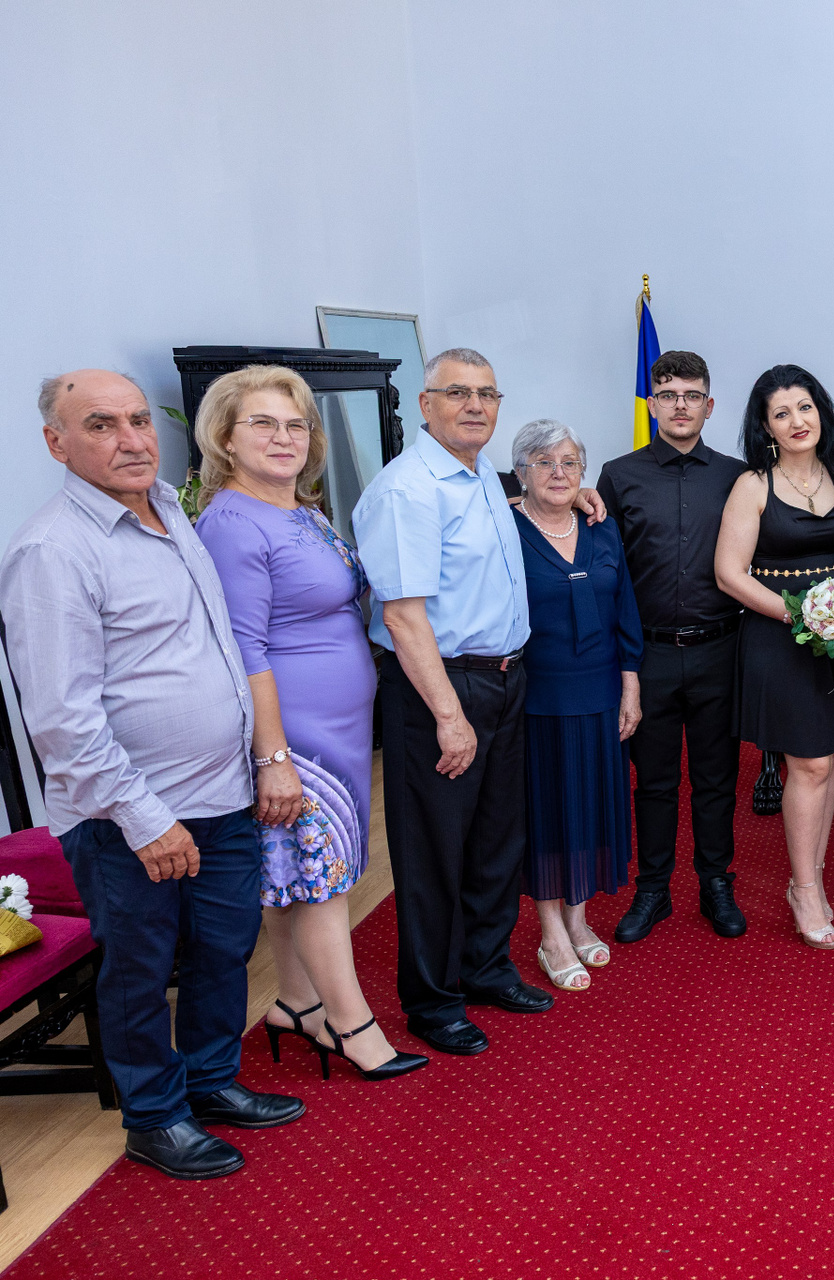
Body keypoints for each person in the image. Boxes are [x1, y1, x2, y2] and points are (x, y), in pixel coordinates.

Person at [2, 369, 303, 1180]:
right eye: (101, 425)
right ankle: (155, 1117)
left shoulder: (171, 507)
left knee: (222, 949)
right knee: (138, 969)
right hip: (126, 816)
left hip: (222, 794)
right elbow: (62, 719)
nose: (132, 439)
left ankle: (210, 1081)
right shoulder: (52, 551)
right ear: (56, 443)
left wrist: (258, 760)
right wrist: (145, 818)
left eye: (139, 420)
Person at [193, 365, 426, 1082]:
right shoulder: (231, 522)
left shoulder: (302, 508)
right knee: (323, 881)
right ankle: (354, 1026)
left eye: (296, 424)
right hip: (296, 736)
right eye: (263, 423)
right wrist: (273, 758)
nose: (283, 437)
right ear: (225, 438)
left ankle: (297, 1002)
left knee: (298, 870)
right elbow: (245, 650)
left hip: (343, 726)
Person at [353, 347, 557, 1058]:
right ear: (425, 404)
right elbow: (403, 616)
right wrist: (448, 715)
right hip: (441, 685)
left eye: (487, 394)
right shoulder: (407, 490)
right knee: (435, 850)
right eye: (458, 393)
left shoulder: (481, 477)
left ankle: (486, 968)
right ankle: (433, 1001)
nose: (475, 406)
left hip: (504, 676)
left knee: (497, 839)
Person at [595, 350, 749, 944]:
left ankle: (715, 883)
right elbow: (604, 565)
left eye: (691, 396)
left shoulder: (737, 476)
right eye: (668, 396)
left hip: (720, 649)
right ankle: (653, 888)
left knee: (716, 779)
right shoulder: (619, 475)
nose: (680, 406)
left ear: (709, 406)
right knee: (654, 781)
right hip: (648, 656)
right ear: (652, 405)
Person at [717, 365, 834, 949]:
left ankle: (813, 877)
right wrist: (800, 616)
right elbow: (729, 574)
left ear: (821, 411)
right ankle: (803, 889)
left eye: (805, 407)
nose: (797, 421)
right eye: (781, 413)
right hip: (779, 639)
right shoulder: (753, 485)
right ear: (766, 427)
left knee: (825, 761)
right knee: (810, 764)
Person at [510, 419, 644, 992]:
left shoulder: (600, 526)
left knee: (590, 806)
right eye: (543, 462)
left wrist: (631, 684)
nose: (558, 473)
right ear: (520, 473)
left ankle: (579, 919)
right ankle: (551, 935)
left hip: (601, 690)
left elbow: (625, 609)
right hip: (538, 695)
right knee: (548, 813)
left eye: (569, 462)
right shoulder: (506, 528)